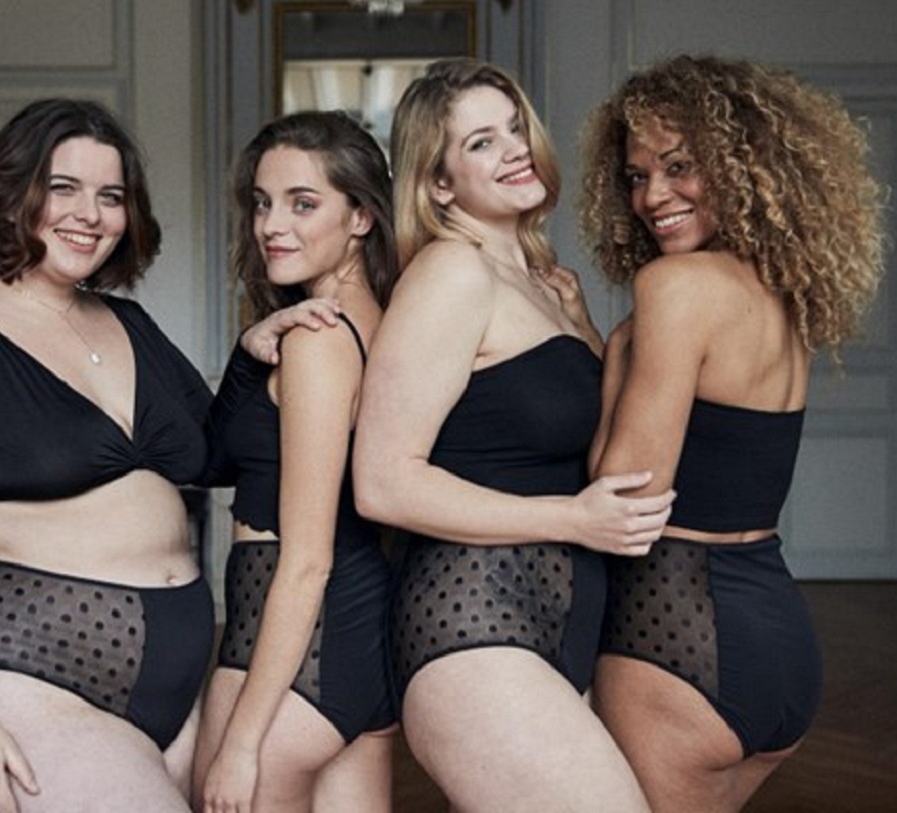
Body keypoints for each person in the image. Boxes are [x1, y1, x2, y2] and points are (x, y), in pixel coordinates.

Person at [0, 98, 338, 813]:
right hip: (28, 671)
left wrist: (251, 355)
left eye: (111, 196)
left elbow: (209, 458)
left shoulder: (130, 324)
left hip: (176, 692)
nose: (90, 214)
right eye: (63, 188)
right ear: (12, 193)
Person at [351, 58, 676, 812]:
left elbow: (583, 430)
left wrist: (586, 326)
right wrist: (572, 518)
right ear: (439, 184)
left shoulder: (539, 278)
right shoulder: (450, 273)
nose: (514, 149)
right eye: (480, 143)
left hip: (560, 617)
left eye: (514, 128)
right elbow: (383, 482)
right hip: (474, 618)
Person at [580, 54, 886, 812]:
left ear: (738, 163)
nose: (653, 196)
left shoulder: (674, 287)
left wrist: (613, 356)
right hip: (777, 634)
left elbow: (628, 496)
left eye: (679, 166)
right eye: (637, 176)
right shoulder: (784, 295)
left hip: (675, 637)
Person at [192, 110, 400, 813]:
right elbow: (217, 461)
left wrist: (242, 742)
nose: (271, 225)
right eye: (262, 202)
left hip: (295, 636)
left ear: (362, 217)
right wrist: (251, 352)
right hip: (357, 636)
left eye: (302, 203)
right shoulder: (381, 325)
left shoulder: (319, 341)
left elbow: (307, 558)